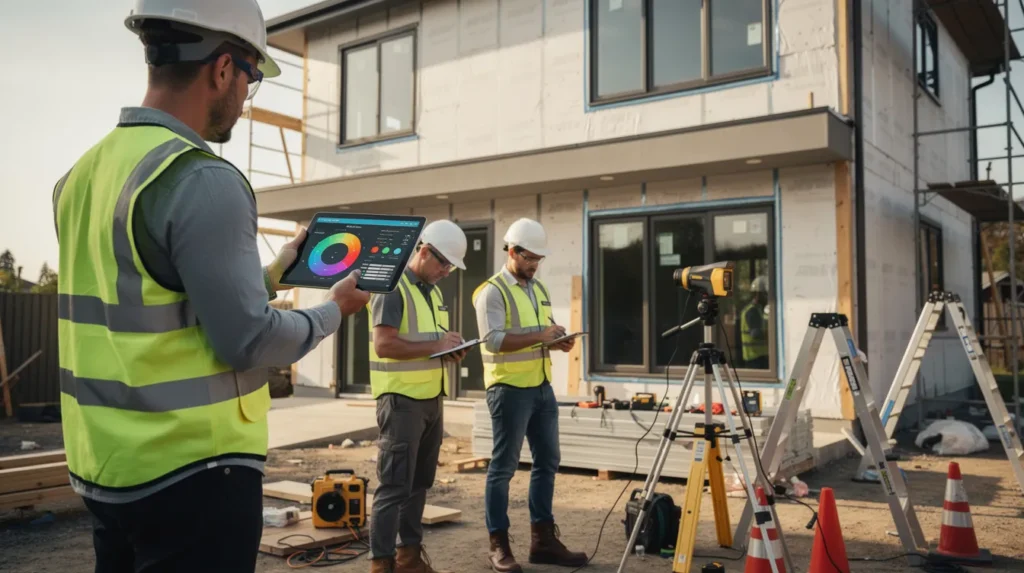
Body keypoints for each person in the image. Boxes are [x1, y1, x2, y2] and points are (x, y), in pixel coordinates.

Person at [51, 0, 370, 570]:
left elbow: (153, 296)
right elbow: (246, 340)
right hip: (193, 473)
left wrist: (271, 274)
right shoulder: (203, 178)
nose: (246, 100)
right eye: (251, 81)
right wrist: (334, 310)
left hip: (105, 468)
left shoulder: (80, 176)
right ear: (223, 68)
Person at [472, 218, 588, 573]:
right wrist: (541, 334)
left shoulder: (537, 289)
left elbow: (540, 335)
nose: (535, 263)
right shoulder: (491, 291)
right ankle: (499, 545)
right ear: (513, 251)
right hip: (508, 390)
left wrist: (558, 341)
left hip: (540, 387)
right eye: (530, 257)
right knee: (503, 469)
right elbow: (492, 339)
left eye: (540, 257)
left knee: (548, 462)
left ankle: (543, 542)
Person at [367, 220, 470, 573]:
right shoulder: (392, 287)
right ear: (423, 251)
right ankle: (381, 564)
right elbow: (384, 344)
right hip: (401, 402)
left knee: (419, 484)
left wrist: (448, 349)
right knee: (394, 486)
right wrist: (437, 345)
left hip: (430, 400)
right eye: (443, 263)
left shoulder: (433, 291)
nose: (447, 272)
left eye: (451, 266)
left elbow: (427, 346)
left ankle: (408, 558)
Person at [740, 276, 770, 369]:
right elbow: (756, 333)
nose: (767, 297)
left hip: (757, 357)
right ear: (758, 294)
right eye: (765, 294)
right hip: (756, 358)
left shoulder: (758, 309)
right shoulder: (752, 311)